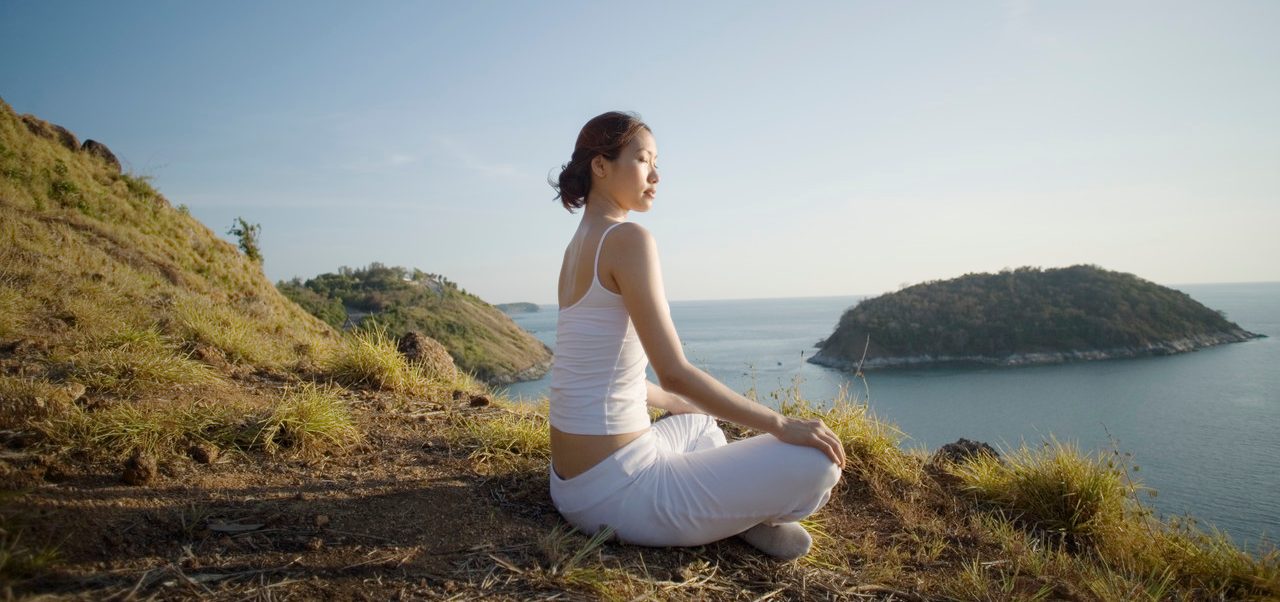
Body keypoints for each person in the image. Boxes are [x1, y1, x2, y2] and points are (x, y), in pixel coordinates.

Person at [546, 111, 845, 560]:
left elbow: (603, 375)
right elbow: (675, 373)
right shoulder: (628, 239)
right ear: (601, 166)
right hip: (619, 494)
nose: (656, 175)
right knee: (818, 463)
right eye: (644, 160)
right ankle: (736, 517)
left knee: (700, 423)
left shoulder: (577, 248)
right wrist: (783, 424)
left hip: (569, 487)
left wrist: (682, 404)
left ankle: (730, 516)